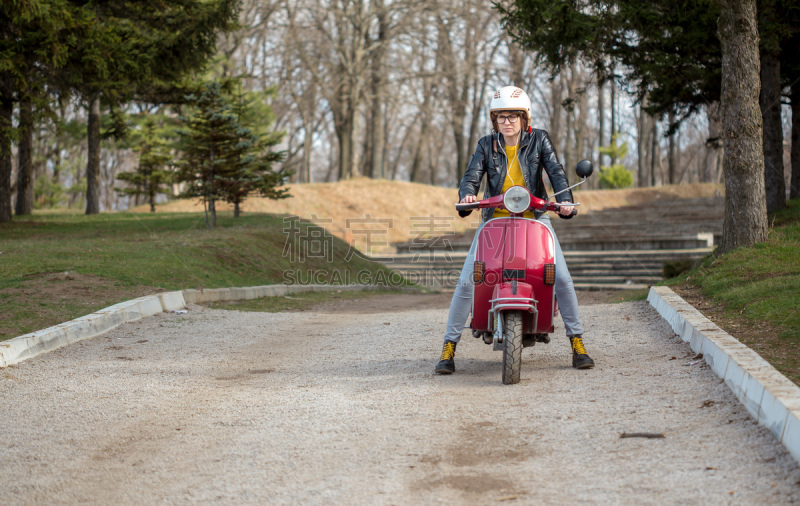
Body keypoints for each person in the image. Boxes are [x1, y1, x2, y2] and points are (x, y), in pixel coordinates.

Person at [434, 85, 595, 375]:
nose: (506, 122)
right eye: (500, 117)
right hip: (493, 220)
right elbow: (471, 176)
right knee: (467, 280)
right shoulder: (486, 145)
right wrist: (468, 196)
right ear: (494, 120)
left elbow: (556, 172)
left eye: (512, 116)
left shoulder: (539, 140)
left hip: (535, 217)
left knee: (561, 277)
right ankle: (449, 347)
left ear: (525, 118)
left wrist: (565, 201)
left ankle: (577, 342)